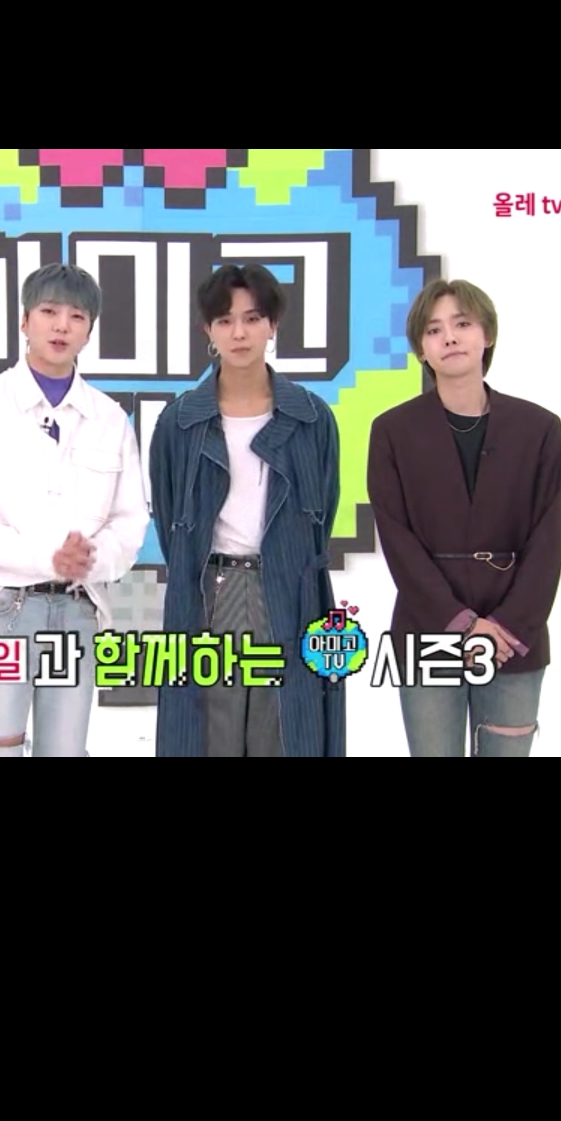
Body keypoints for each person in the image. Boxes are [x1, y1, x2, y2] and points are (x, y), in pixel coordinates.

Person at [0, 264, 150, 757]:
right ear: (24, 321)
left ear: (89, 331)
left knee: (65, 751)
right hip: (1, 607)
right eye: (49, 312)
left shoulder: (109, 418)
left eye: (76, 316)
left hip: (78, 608)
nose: (61, 326)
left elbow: (130, 520)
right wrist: (45, 558)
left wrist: (89, 559)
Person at [148, 262, 345, 759]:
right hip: (211, 590)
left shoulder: (311, 417)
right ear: (207, 330)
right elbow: (171, 521)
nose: (239, 333)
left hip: (289, 588)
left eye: (253, 318)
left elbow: (322, 514)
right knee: (208, 732)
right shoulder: (180, 421)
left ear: (273, 325)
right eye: (225, 320)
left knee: (285, 730)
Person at [367, 279, 561, 758]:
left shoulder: (539, 428)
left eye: (462, 324)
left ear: (487, 334)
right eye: (434, 330)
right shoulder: (392, 430)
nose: (450, 338)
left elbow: (548, 538)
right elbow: (397, 538)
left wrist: (505, 627)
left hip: (513, 635)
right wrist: (459, 623)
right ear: (421, 348)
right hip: (425, 625)